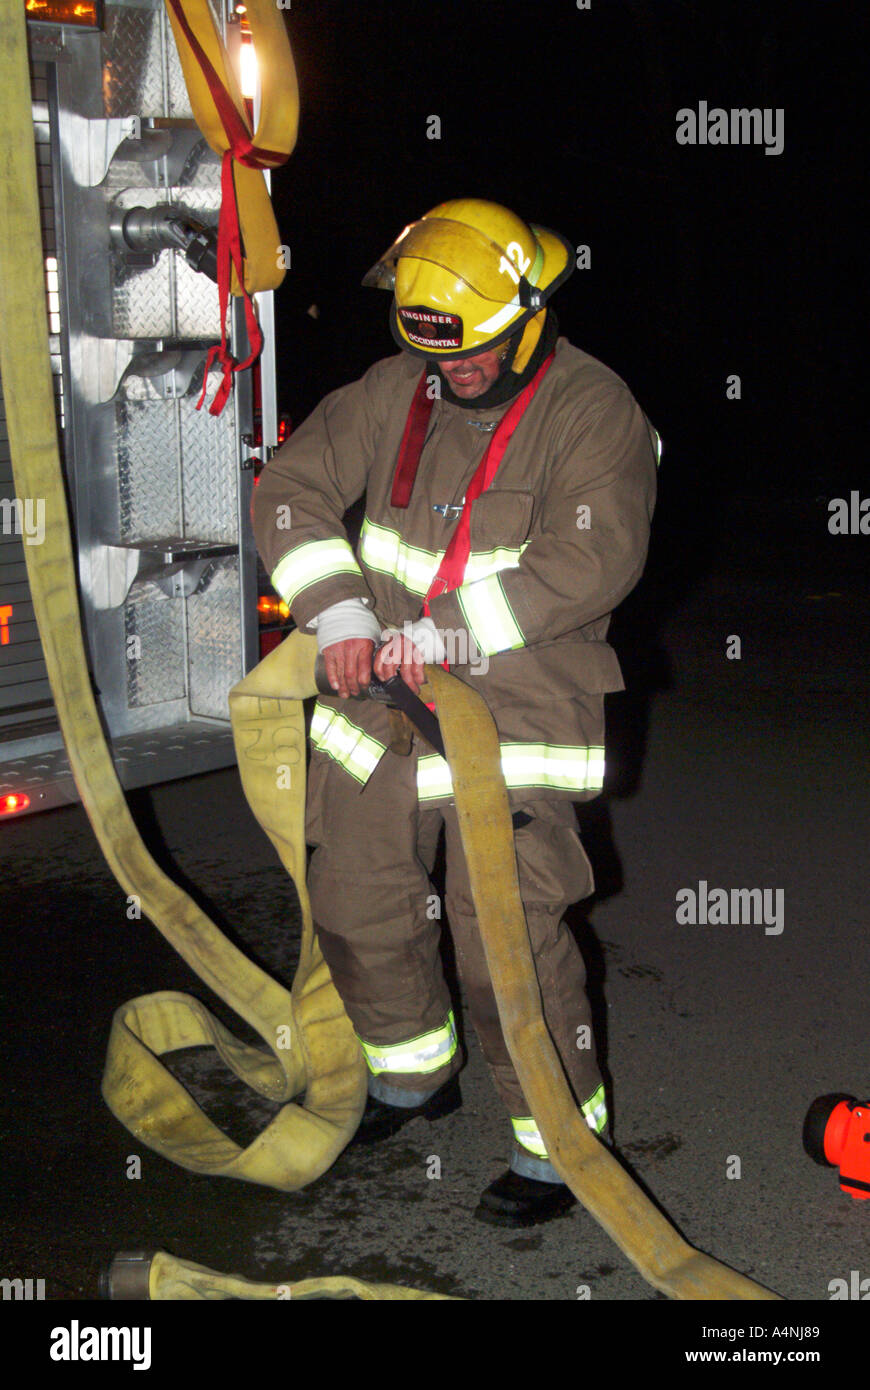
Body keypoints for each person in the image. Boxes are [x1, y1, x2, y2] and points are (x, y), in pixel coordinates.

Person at [252, 198, 659, 1227]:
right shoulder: (397, 390)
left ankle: (558, 1145)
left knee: (507, 940)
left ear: (529, 314)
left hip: (517, 702)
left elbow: (594, 556)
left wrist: (449, 629)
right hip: (382, 695)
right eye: (436, 348)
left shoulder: (594, 408)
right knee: (353, 897)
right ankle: (412, 1074)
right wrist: (339, 610)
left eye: (475, 347)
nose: (457, 369)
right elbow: (291, 487)